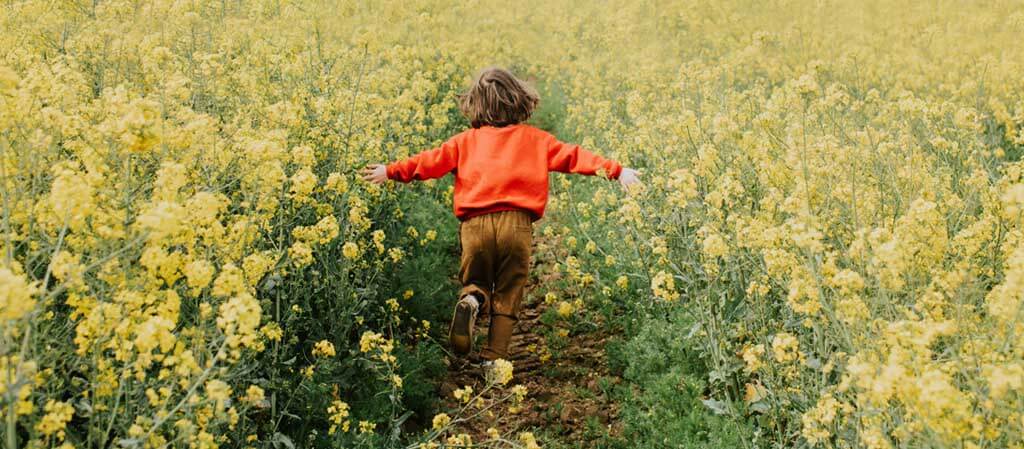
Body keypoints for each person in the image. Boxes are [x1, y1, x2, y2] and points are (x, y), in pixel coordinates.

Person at [360, 67, 640, 371]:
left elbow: (428, 162)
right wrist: (617, 171)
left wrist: (390, 171)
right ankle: (493, 359)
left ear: (474, 105)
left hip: (475, 226)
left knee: (476, 280)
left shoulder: (464, 142)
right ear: (520, 101)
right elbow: (576, 157)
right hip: (516, 226)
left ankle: (472, 301)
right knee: (508, 291)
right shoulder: (537, 140)